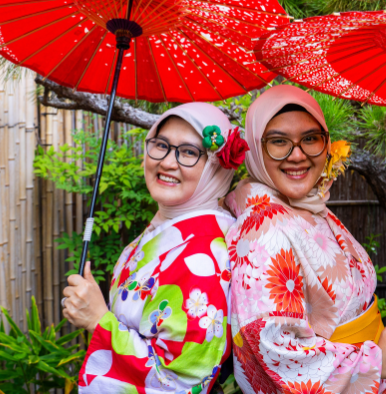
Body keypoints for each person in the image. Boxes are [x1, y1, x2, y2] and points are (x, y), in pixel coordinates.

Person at [224, 85, 386, 394]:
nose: (298, 155)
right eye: (278, 142)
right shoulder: (265, 230)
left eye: (311, 139)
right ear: (255, 149)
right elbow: (272, 348)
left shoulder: (308, 208)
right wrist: (374, 364)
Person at [63, 102, 249, 393]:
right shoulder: (170, 226)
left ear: (215, 166)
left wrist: (99, 320)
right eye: (160, 145)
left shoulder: (204, 252)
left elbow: (181, 379)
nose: (167, 162)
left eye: (188, 152)